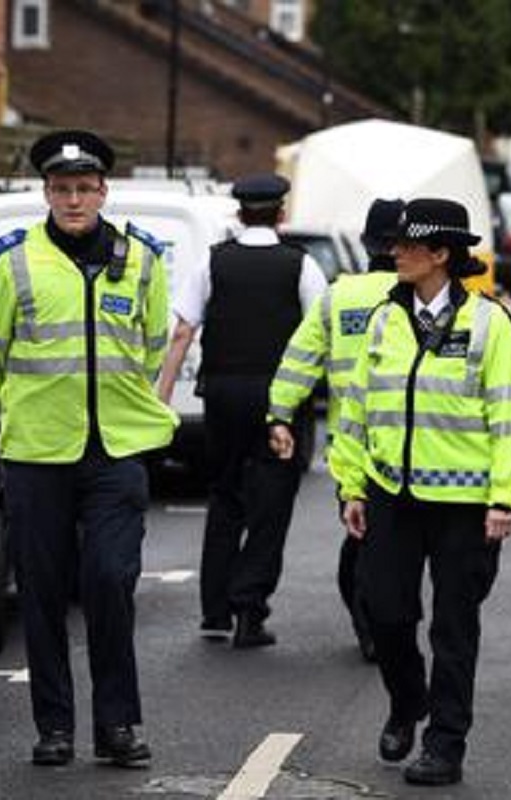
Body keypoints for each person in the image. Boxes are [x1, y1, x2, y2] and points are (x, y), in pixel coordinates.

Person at [0, 129, 177, 767]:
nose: (73, 200)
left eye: (84, 188)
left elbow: (151, 345)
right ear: (46, 193)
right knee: (41, 590)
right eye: (62, 189)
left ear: (103, 192)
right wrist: (29, 414)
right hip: (38, 452)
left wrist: (118, 402)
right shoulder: (10, 262)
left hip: (116, 448)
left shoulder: (142, 259)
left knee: (111, 579)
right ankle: (55, 727)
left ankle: (118, 725)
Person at [331, 198, 511, 786]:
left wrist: (504, 497)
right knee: (383, 611)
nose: (394, 253)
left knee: (454, 626)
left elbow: (509, 417)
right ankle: (406, 700)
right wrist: (352, 485)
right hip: (392, 493)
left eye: (406, 245)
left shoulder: (488, 323)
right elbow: (355, 412)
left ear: (440, 254)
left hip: (466, 505)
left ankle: (445, 743)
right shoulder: (383, 320)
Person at [157, 173, 327, 648]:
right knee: (272, 502)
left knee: (225, 495)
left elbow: (182, 333)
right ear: (282, 213)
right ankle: (249, 610)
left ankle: (214, 611)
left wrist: (162, 399)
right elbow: (318, 336)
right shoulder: (302, 267)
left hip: (223, 394)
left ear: (238, 213)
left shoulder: (213, 263)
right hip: (279, 396)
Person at [267, 198, 404, 662]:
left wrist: (280, 415)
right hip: (415, 445)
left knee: (361, 538)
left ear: (366, 244)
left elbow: (299, 359)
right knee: (401, 542)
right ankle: (388, 622)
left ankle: (369, 624)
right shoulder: (426, 294)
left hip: (352, 445)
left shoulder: (340, 295)